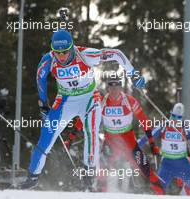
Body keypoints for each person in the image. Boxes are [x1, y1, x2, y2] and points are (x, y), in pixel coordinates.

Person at [20, 29, 146, 190]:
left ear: (72, 47)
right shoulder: (49, 60)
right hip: (65, 99)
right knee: (46, 137)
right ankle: (32, 178)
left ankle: (89, 176)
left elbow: (116, 54)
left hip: (89, 98)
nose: (62, 56)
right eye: (57, 52)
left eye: (65, 52)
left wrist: (133, 74)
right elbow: (40, 77)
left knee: (91, 132)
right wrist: (44, 105)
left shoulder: (86, 55)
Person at [98, 77, 163, 194]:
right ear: (107, 89)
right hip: (111, 142)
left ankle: (161, 193)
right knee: (103, 168)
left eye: (116, 88)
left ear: (120, 88)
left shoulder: (130, 101)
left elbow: (144, 121)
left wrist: (152, 143)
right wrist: (73, 134)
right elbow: (87, 116)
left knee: (145, 168)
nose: (114, 91)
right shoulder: (101, 102)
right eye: (111, 88)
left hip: (129, 142)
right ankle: (99, 194)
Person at [139, 103, 190, 195]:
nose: (175, 119)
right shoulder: (164, 126)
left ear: (181, 118)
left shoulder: (185, 127)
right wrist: (136, 145)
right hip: (167, 164)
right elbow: (149, 135)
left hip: (182, 164)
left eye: (178, 117)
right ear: (170, 114)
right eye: (173, 116)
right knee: (158, 189)